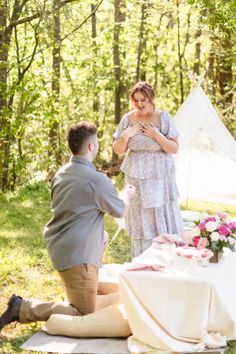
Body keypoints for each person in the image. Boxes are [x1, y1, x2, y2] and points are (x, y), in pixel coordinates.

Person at [0, 121, 128, 334]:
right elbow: (120, 211)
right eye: (96, 141)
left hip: (59, 246)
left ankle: (88, 283)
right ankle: (22, 308)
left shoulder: (61, 173)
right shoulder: (97, 180)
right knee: (83, 313)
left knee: (102, 236)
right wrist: (128, 196)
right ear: (90, 147)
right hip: (78, 256)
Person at [113, 81, 183, 257]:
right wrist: (127, 135)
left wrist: (156, 135)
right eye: (136, 100)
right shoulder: (128, 119)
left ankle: (165, 254)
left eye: (143, 99)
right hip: (135, 175)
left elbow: (174, 148)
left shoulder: (164, 118)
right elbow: (118, 149)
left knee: (159, 210)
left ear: (151, 98)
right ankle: (142, 258)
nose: (139, 104)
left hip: (159, 176)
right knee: (139, 211)